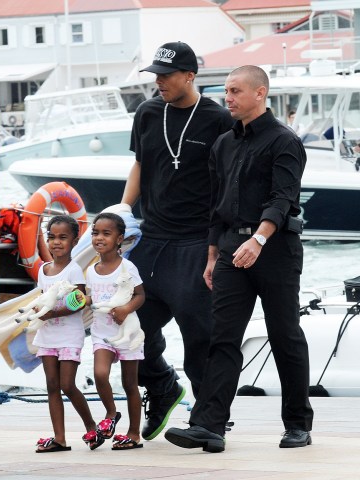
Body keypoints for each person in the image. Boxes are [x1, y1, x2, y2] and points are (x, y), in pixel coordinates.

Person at [165, 65, 314, 453]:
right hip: (232, 249)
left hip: (276, 250)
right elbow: (218, 207)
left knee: (285, 335)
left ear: (260, 93)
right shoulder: (224, 144)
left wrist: (260, 240)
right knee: (223, 337)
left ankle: (297, 424)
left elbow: (284, 199)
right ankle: (210, 426)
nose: (227, 97)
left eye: (234, 91)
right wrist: (213, 255)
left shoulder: (284, 141)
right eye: (226, 91)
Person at [121, 41, 235, 441]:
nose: (160, 82)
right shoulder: (148, 112)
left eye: (166, 75)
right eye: (155, 75)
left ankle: (209, 423)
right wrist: (122, 211)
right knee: (130, 330)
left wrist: (217, 243)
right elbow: (139, 164)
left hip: (194, 242)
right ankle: (163, 387)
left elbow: (228, 183)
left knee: (200, 338)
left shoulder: (219, 119)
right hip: (151, 240)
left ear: (190, 75)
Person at [33, 215, 97, 453]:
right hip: (47, 336)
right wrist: (38, 312)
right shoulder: (43, 270)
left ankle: (91, 425)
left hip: (69, 336)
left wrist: (50, 313)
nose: (56, 242)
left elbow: (79, 301)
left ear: (74, 241)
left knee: (67, 385)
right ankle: (59, 438)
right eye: (51, 237)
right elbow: (42, 297)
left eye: (63, 237)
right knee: (52, 386)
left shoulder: (74, 270)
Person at [84, 212, 145, 450]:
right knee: (100, 374)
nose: (99, 238)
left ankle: (133, 434)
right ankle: (111, 413)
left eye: (106, 233)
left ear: (120, 239)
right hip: (101, 333)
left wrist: (125, 309)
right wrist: (83, 299)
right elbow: (93, 296)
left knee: (131, 384)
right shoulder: (92, 270)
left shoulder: (127, 267)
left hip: (127, 333)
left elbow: (140, 295)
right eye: (95, 233)